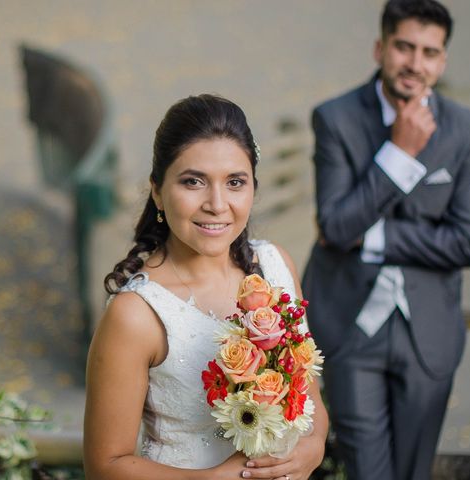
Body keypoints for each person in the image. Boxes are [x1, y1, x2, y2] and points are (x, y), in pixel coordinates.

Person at [84, 94, 328, 480]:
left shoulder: (276, 266)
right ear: (157, 191)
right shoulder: (136, 313)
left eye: (235, 182)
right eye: (193, 181)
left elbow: (309, 394)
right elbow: (104, 466)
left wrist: (313, 446)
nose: (217, 204)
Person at [302, 1, 470, 479]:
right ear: (381, 48)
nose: (415, 63)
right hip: (350, 328)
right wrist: (399, 153)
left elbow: (466, 243)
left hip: (429, 332)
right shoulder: (335, 119)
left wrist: (375, 236)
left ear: (442, 61)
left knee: (413, 471)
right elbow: (337, 227)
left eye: (429, 52)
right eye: (404, 47)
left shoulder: (466, 131)